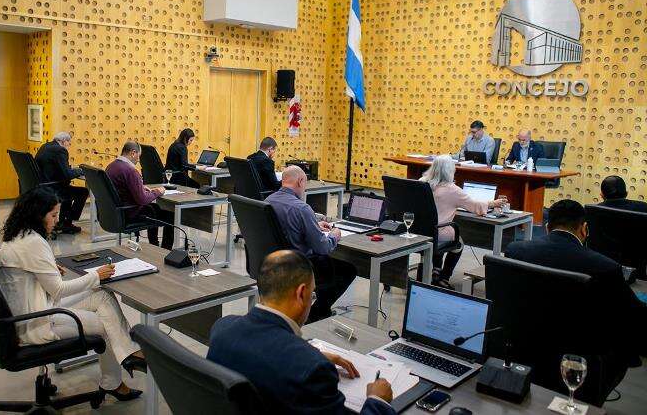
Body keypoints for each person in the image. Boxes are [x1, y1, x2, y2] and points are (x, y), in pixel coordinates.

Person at [0, 187, 145, 401]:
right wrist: (96, 275)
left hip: (28, 311)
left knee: (102, 295)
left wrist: (47, 267)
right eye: (53, 215)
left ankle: (128, 354)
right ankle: (116, 377)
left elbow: (19, 264)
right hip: (37, 322)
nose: (57, 220)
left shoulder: (17, 235)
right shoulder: (33, 242)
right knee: (108, 326)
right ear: (37, 215)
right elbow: (58, 289)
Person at [208, 250, 396, 415]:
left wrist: (310, 353)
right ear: (301, 293)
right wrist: (377, 401)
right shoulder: (314, 369)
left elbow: (262, 350)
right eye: (313, 294)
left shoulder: (221, 329)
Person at [505, 199, 645, 362]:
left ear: (547, 227)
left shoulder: (515, 250)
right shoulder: (606, 267)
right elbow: (631, 314)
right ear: (584, 229)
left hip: (521, 348)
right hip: (581, 359)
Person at [265, 166, 357, 322]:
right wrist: (334, 236)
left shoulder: (268, 201)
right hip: (300, 266)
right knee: (348, 270)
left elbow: (285, 226)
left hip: (274, 262)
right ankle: (318, 313)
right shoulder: (302, 208)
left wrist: (313, 225)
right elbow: (322, 247)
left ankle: (318, 310)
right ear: (301, 181)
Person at [420, 155, 505, 287]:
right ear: (450, 171)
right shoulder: (452, 190)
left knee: (439, 237)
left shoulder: (422, 183)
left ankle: (436, 270)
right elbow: (475, 206)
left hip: (420, 231)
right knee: (458, 243)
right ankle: (444, 278)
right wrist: (493, 203)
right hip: (438, 232)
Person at [106, 141, 174, 249]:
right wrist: (158, 191)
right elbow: (143, 200)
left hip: (116, 212)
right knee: (170, 215)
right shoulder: (130, 170)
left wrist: (140, 187)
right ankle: (165, 250)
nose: (139, 160)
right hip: (131, 214)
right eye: (139, 156)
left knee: (154, 208)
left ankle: (154, 245)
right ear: (133, 153)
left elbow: (123, 188)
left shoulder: (111, 166)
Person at [35, 131, 88, 234]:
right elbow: (67, 174)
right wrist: (81, 171)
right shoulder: (60, 150)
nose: (69, 146)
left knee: (68, 190)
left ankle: (64, 222)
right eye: (69, 143)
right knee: (83, 192)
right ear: (64, 141)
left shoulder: (45, 146)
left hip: (43, 185)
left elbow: (55, 167)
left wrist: (70, 170)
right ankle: (67, 222)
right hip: (52, 188)